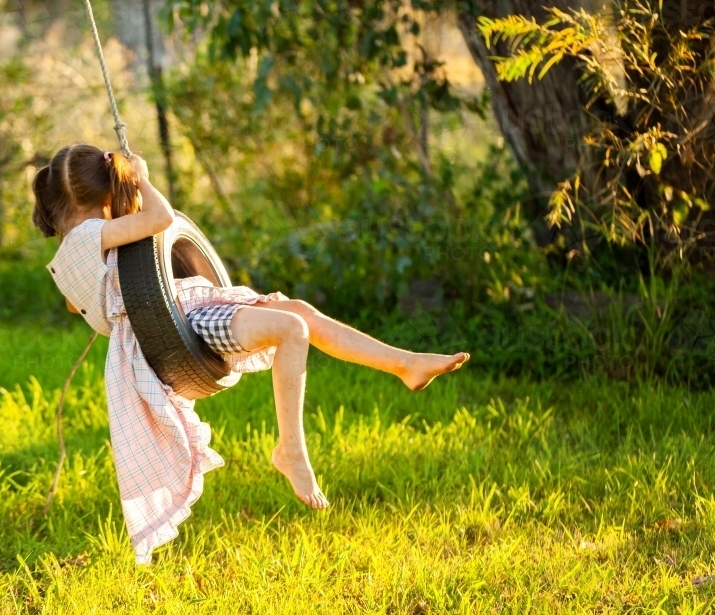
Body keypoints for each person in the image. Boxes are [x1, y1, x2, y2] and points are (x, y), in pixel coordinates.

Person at [33, 143, 469, 564]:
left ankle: (405, 363)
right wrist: (143, 180)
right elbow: (162, 219)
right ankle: (291, 452)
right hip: (178, 322)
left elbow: (91, 296)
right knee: (291, 327)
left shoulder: (75, 251)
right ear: (105, 192)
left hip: (187, 307)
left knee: (298, 314)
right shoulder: (89, 235)